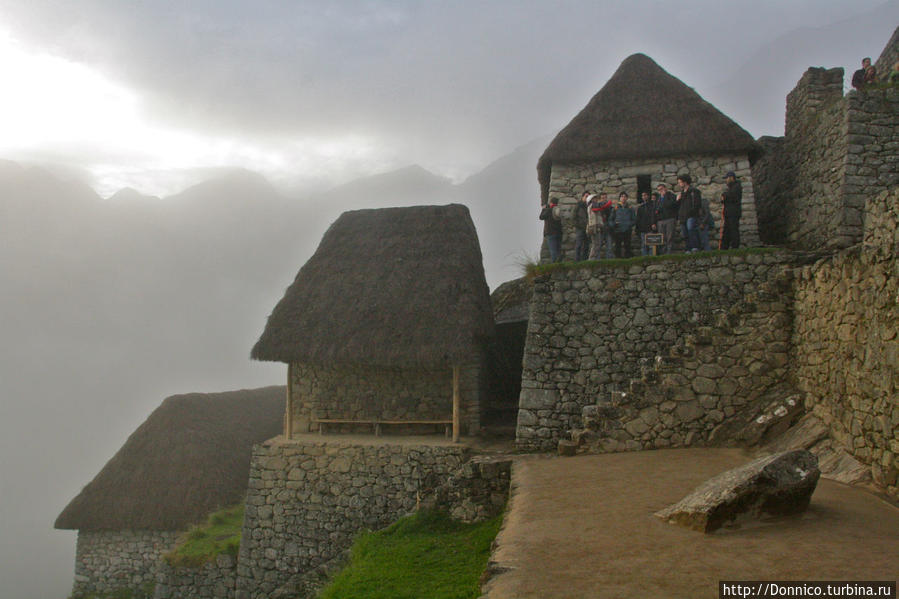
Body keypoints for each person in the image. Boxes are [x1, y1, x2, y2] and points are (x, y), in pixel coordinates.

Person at [677, 174, 704, 252]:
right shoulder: (681, 193)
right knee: (685, 233)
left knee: (691, 230)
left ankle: (695, 247)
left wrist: (692, 212)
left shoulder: (694, 191)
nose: (679, 184)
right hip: (682, 216)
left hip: (691, 215)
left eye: (680, 182)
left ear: (685, 182)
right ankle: (688, 248)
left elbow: (697, 204)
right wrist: (678, 200)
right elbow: (679, 206)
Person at [719, 171, 742, 249]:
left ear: (731, 178)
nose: (726, 180)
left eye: (727, 178)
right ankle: (724, 247)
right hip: (728, 213)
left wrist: (724, 196)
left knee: (733, 230)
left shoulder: (737, 186)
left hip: (734, 212)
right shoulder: (731, 188)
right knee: (727, 230)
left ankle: (735, 246)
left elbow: (732, 196)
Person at [609, 192, 635, 258]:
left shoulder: (630, 208)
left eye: (625, 196)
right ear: (620, 198)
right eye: (622, 196)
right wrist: (614, 225)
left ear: (627, 198)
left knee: (627, 246)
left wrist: (629, 224)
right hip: (618, 230)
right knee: (618, 246)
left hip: (627, 230)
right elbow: (610, 220)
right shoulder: (615, 208)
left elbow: (634, 219)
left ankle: (628, 260)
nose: (623, 198)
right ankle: (618, 260)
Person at [587, 192, 614, 260]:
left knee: (598, 245)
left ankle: (594, 259)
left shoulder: (596, 206)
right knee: (596, 245)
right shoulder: (592, 206)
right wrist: (609, 203)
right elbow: (602, 207)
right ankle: (592, 259)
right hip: (595, 228)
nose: (596, 199)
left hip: (602, 228)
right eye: (594, 198)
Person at [655, 183, 679, 255]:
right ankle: (663, 252)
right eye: (659, 190)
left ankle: (669, 252)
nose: (660, 191)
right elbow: (656, 208)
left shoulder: (671, 196)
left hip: (670, 218)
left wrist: (664, 197)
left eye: (661, 189)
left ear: (665, 188)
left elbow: (671, 204)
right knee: (662, 237)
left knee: (669, 237)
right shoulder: (658, 198)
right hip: (661, 220)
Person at [540, 198, 563, 262]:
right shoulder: (558, 210)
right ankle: (559, 262)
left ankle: (554, 264)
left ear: (551, 203)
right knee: (558, 249)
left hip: (550, 233)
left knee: (553, 250)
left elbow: (541, 217)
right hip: (558, 232)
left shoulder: (548, 210)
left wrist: (544, 209)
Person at [635, 191, 658, 256]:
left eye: (645, 195)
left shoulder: (652, 206)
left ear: (648, 196)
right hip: (642, 229)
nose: (644, 197)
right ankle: (644, 259)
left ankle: (651, 258)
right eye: (642, 196)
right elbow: (638, 219)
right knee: (643, 245)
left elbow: (654, 216)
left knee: (651, 245)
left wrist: (654, 224)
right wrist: (637, 229)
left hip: (650, 228)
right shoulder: (640, 207)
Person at [573, 191, 591, 261]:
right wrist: (578, 225)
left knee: (586, 245)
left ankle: (584, 259)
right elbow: (573, 217)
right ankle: (577, 260)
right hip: (580, 228)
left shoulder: (590, 206)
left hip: (588, 228)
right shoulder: (578, 206)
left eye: (588, 197)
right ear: (582, 197)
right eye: (586, 196)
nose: (587, 198)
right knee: (579, 245)